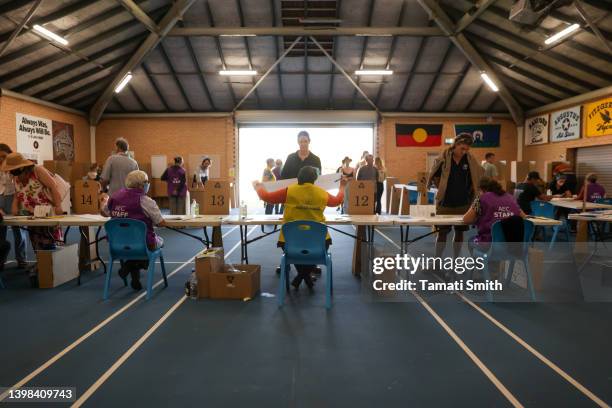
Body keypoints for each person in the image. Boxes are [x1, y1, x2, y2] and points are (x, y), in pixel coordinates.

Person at [253, 166, 346, 291]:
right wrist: (342, 186)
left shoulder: (289, 191)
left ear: (298, 178)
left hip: (290, 241)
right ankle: (305, 276)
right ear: (315, 179)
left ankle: (301, 276)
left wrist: (258, 187)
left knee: (293, 253)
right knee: (319, 250)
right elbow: (338, 201)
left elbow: (267, 197)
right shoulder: (322, 193)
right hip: (319, 242)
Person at [2, 153, 64, 285]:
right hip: (30, 215)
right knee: (36, 242)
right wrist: (14, 207)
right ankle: (43, 268)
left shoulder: (37, 170)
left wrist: (58, 206)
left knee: (47, 241)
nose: (13, 173)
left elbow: (53, 187)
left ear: (22, 167)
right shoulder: (16, 176)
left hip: (46, 213)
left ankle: (48, 271)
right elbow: (18, 194)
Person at [101, 170, 166, 290]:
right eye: (146, 182)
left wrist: (104, 201)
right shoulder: (145, 201)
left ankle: (133, 275)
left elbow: (104, 213)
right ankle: (129, 266)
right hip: (143, 243)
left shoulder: (114, 196)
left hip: (117, 244)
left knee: (136, 247)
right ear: (141, 185)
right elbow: (160, 223)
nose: (148, 184)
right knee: (157, 243)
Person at [428, 133, 483, 267]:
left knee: (459, 233)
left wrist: (472, 191)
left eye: (467, 149)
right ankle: (437, 261)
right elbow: (433, 174)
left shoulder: (469, 159)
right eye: (462, 148)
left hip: (463, 203)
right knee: (442, 233)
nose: (464, 152)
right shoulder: (443, 158)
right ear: (455, 145)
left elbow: (478, 175)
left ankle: (455, 261)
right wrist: (441, 187)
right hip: (445, 203)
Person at [463, 177, 525, 252]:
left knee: (471, 241)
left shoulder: (482, 198)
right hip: (511, 244)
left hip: (488, 243)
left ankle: (481, 263)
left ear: (483, 190)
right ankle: (494, 262)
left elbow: (466, 219)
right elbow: (523, 216)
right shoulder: (510, 197)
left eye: (479, 191)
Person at [0, 144, 26, 269]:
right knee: (1, 231)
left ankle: (21, 258)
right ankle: (1, 260)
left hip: (14, 198)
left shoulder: (15, 166)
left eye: (4, 156)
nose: (1, 159)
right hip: (0, 199)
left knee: (19, 230)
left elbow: (19, 188)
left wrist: (16, 204)